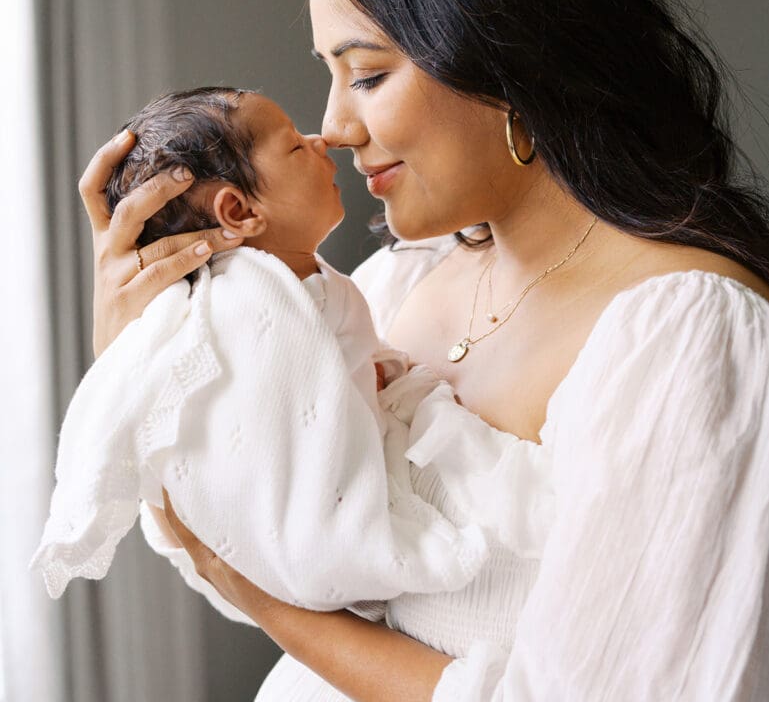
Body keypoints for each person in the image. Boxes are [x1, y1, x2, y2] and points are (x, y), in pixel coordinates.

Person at [78, 0, 769, 702]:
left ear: (506, 57)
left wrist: (288, 620)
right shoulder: (392, 284)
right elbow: (264, 547)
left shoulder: (686, 333)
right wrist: (149, 359)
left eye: (366, 75)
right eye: (328, 77)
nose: (333, 126)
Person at [32, 86, 494, 612]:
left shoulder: (316, 285)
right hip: (305, 558)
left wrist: (381, 372)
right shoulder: (247, 301)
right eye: (295, 146)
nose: (323, 138)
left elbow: (346, 358)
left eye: (367, 76)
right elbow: (237, 455)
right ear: (238, 210)